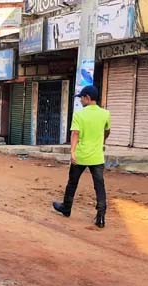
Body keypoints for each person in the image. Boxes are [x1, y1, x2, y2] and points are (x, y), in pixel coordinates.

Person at [53, 85, 111, 228]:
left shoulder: (79, 115)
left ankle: (66, 208)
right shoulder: (105, 114)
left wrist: (72, 152)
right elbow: (107, 131)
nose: (81, 101)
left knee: (72, 183)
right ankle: (101, 215)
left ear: (88, 98)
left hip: (80, 156)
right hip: (97, 156)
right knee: (99, 186)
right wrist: (101, 141)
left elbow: (75, 134)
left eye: (82, 98)